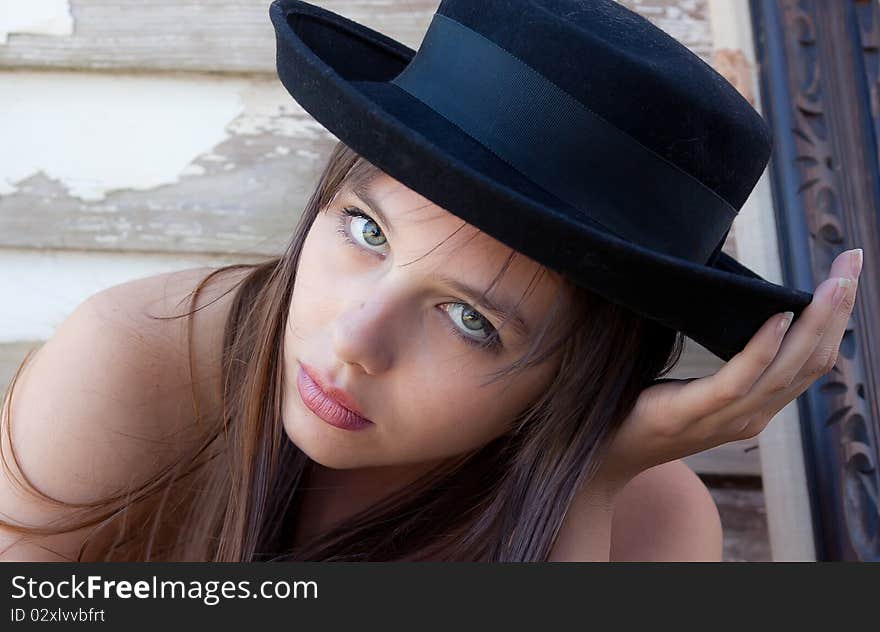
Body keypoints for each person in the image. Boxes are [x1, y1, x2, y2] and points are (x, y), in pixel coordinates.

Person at [0, 0, 864, 562]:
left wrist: (587, 483)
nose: (354, 339)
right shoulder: (134, 366)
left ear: (582, 371)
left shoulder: (651, 525)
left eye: (469, 318)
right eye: (365, 231)